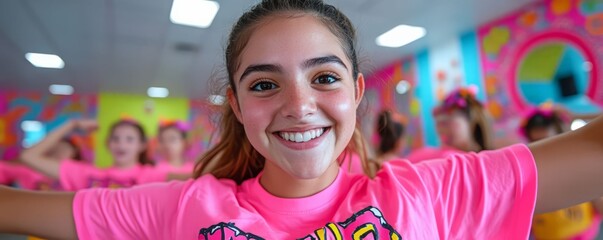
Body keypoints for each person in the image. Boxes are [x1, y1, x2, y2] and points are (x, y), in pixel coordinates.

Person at [1, 1, 603, 239]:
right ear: (236, 105)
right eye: (265, 84)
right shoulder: (186, 208)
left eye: (324, 77)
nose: (298, 104)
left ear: (357, 92)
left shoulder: (430, 191)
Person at [520, 105, 603, 240]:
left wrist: (576, 116)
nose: (542, 147)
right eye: (535, 142)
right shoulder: (529, 172)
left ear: (559, 138)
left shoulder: (578, 165)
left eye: (547, 141)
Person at [20, 119, 167, 190]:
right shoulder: (89, 174)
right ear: (108, 144)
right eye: (115, 138)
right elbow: (28, 156)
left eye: (129, 139)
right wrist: (72, 124)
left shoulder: (152, 175)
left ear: (141, 145)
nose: (121, 144)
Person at [405, 87, 491, 163]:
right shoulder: (435, 156)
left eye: (447, 122)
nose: (441, 129)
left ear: (472, 122)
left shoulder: (486, 160)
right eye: (438, 123)